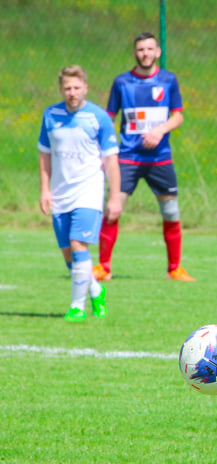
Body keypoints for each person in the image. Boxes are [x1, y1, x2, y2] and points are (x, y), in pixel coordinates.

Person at [93, 31, 194, 282]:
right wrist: (103, 151)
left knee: (170, 212)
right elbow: (109, 118)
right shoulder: (122, 83)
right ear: (134, 53)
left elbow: (178, 116)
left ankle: (175, 268)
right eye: (140, 49)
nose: (145, 54)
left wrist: (160, 130)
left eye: (150, 49)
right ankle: (103, 267)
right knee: (113, 210)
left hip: (160, 158)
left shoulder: (169, 81)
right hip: (127, 157)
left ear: (157, 52)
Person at [38, 65, 121, 322]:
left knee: (78, 245)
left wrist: (115, 197)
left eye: (76, 88)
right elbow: (44, 153)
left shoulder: (98, 118)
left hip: (89, 191)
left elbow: (111, 160)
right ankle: (96, 289)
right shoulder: (51, 115)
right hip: (61, 194)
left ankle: (77, 306)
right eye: (67, 88)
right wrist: (45, 189)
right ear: (61, 89)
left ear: (85, 87)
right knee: (67, 254)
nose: (72, 93)